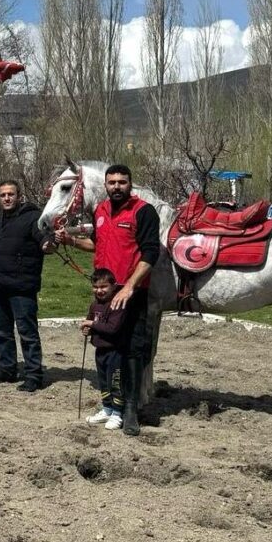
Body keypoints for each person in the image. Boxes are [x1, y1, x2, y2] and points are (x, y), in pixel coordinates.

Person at [57, 163, 162, 436]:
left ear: (130, 184)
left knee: (132, 350)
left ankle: (130, 409)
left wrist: (129, 287)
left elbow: (151, 254)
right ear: (105, 184)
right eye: (112, 182)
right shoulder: (101, 211)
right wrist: (70, 240)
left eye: (122, 182)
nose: (117, 187)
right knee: (105, 350)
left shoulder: (143, 211)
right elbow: (97, 243)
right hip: (105, 294)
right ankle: (109, 405)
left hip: (132, 293)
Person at [0, 180, 56, 391]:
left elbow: (44, 241)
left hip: (22, 287)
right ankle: (7, 369)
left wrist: (49, 244)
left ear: (19, 196)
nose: (7, 198)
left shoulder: (33, 218)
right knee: (1, 331)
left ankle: (34, 374)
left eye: (10, 194)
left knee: (27, 332)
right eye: (3, 195)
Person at [80, 268, 127, 430]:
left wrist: (92, 325)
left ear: (113, 286)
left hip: (115, 351)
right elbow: (90, 321)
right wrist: (88, 329)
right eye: (95, 287)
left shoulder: (117, 303)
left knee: (115, 382)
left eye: (104, 287)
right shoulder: (95, 305)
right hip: (100, 349)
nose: (99, 291)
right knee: (103, 382)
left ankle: (117, 413)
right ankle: (107, 409)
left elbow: (113, 328)